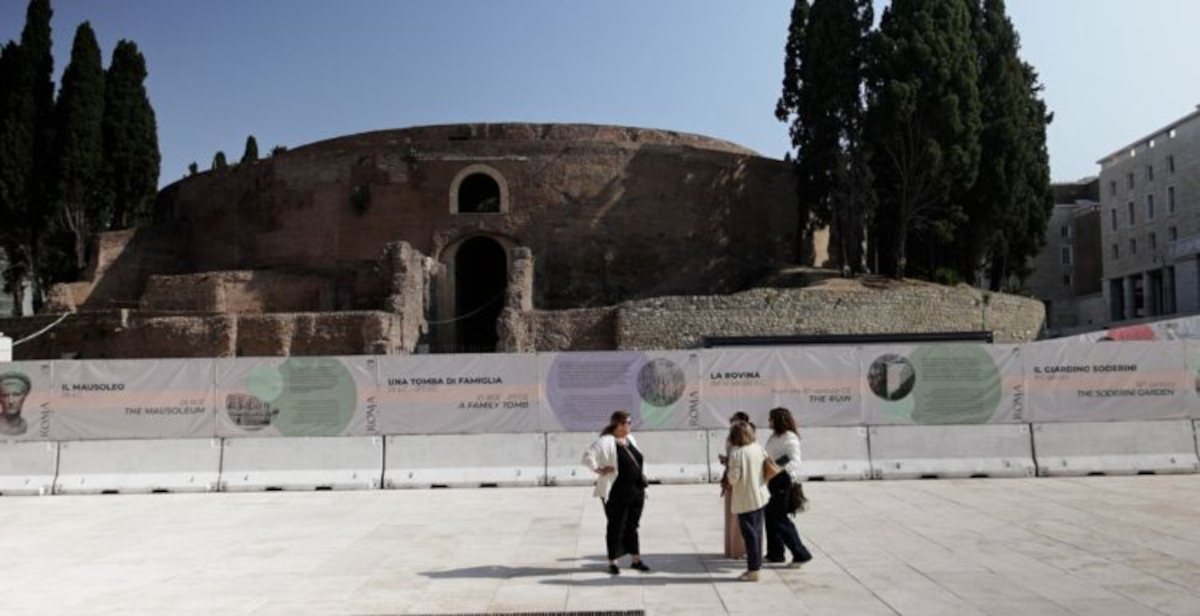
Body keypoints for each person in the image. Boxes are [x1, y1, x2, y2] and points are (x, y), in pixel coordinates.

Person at [582, 410, 651, 575]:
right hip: (616, 493)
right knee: (615, 526)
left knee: (632, 526)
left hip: (636, 491)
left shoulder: (630, 439)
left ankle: (636, 559)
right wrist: (599, 469)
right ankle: (612, 561)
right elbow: (587, 457)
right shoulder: (605, 441)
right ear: (618, 425)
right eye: (628, 422)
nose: (630, 425)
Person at [764, 407, 813, 567]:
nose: (768, 422)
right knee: (770, 518)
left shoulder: (789, 437)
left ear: (778, 420)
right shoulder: (775, 436)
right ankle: (775, 554)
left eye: (771, 419)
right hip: (771, 479)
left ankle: (801, 554)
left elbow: (795, 461)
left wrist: (778, 468)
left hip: (782, 481)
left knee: (779, 518)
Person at [726, 420, 770, 582]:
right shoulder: (757, 448)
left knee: (750, 536)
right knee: (757, 533)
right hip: (760, 496)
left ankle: (753, 570)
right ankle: (756, 566)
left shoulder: (737, 454)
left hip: (746, 499)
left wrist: (728, 469)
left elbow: (733, 479)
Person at [719, 411, 754, 559]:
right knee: (734, 518)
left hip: (739, 483)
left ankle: (740, 550)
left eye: (734, 421)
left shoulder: (745, 444)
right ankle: (735, 549)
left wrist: (728, 463)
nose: (731, 424)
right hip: (733, 482)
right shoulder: (734, 441)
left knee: (740, 518)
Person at [0, 372, 31, 437]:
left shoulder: (25, 425)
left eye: (16, 395)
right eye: (5, 395)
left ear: (24, 397)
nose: (11, 401)